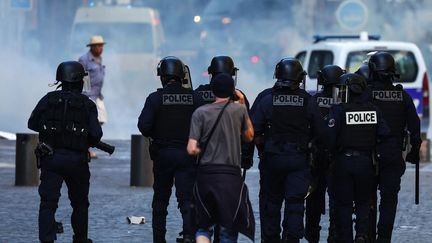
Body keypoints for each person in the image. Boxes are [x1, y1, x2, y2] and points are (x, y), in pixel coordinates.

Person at [252, 58, 327, 243]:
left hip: (272, 160)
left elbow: (252, 130)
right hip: (298, 160)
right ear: (299, 78)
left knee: (271, 204)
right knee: (295, 204)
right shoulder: (307, 101)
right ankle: (291, 239)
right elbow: (322, 133)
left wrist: (262, 148)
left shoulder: (267, 99)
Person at [28, 61, 103, 243]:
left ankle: (46, 239)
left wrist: (50, 130)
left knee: (48, 203)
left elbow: (32, 123)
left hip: (51, 158)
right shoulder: (87, 104)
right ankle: (80, 239)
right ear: (78, 81)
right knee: (79, 204)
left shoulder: (48, 99)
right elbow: (96, 135)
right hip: (77, 161)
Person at [137, 56, 204, 243]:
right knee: (187, 199)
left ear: (162, 77)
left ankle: (159, 238)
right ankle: (189, 236)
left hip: (163, 155)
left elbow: (143, 126)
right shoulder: (195, 98)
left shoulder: (155, 98)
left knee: (160, 200)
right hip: (187, 155)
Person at [187, 73, 255, 243]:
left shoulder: (200, 112)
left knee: (203, 225)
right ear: (233, 90)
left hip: (206, 175)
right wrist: (243, 106)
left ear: (212, 90)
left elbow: (191, 148)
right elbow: (249, 136)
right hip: (230, 177)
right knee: (227, 228)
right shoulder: (239, 111)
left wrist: (202, 150)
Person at [327, 73, 389, 243]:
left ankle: (346, 238)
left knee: (344, 204)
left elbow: (330, 139)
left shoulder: (339, 110)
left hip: (344, 162)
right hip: (365, 163)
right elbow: (384, 133)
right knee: (363, 202)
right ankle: (362, 234)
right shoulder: (374, 110)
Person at [367, 52, 421, 243]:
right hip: (393, 154)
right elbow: (415, 128)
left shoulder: (365, 95)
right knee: (389, 201)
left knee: (367, 200)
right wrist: (414, 152)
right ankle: (384, 239)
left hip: (368, 154)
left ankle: (367, 237)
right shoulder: (402, 96)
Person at [305, 65, 344, 243]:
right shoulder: (344, 102)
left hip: (316, 159)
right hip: (337, 159)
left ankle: (312, 235)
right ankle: (334, 236)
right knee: (337, 202)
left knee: (313, 201)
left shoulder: (313, 101)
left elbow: (307, 128)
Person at [79, 35, 107, 158]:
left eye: (102, 46)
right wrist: (86, 96)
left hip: (97, 95)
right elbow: (83, 79)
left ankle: (88, 144)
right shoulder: (84, 59)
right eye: (99, 46)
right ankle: (86, 148)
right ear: (93, 47)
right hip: (89, 95)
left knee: (101, 119)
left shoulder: (99, 59)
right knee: (90, 122)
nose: (101, 48)